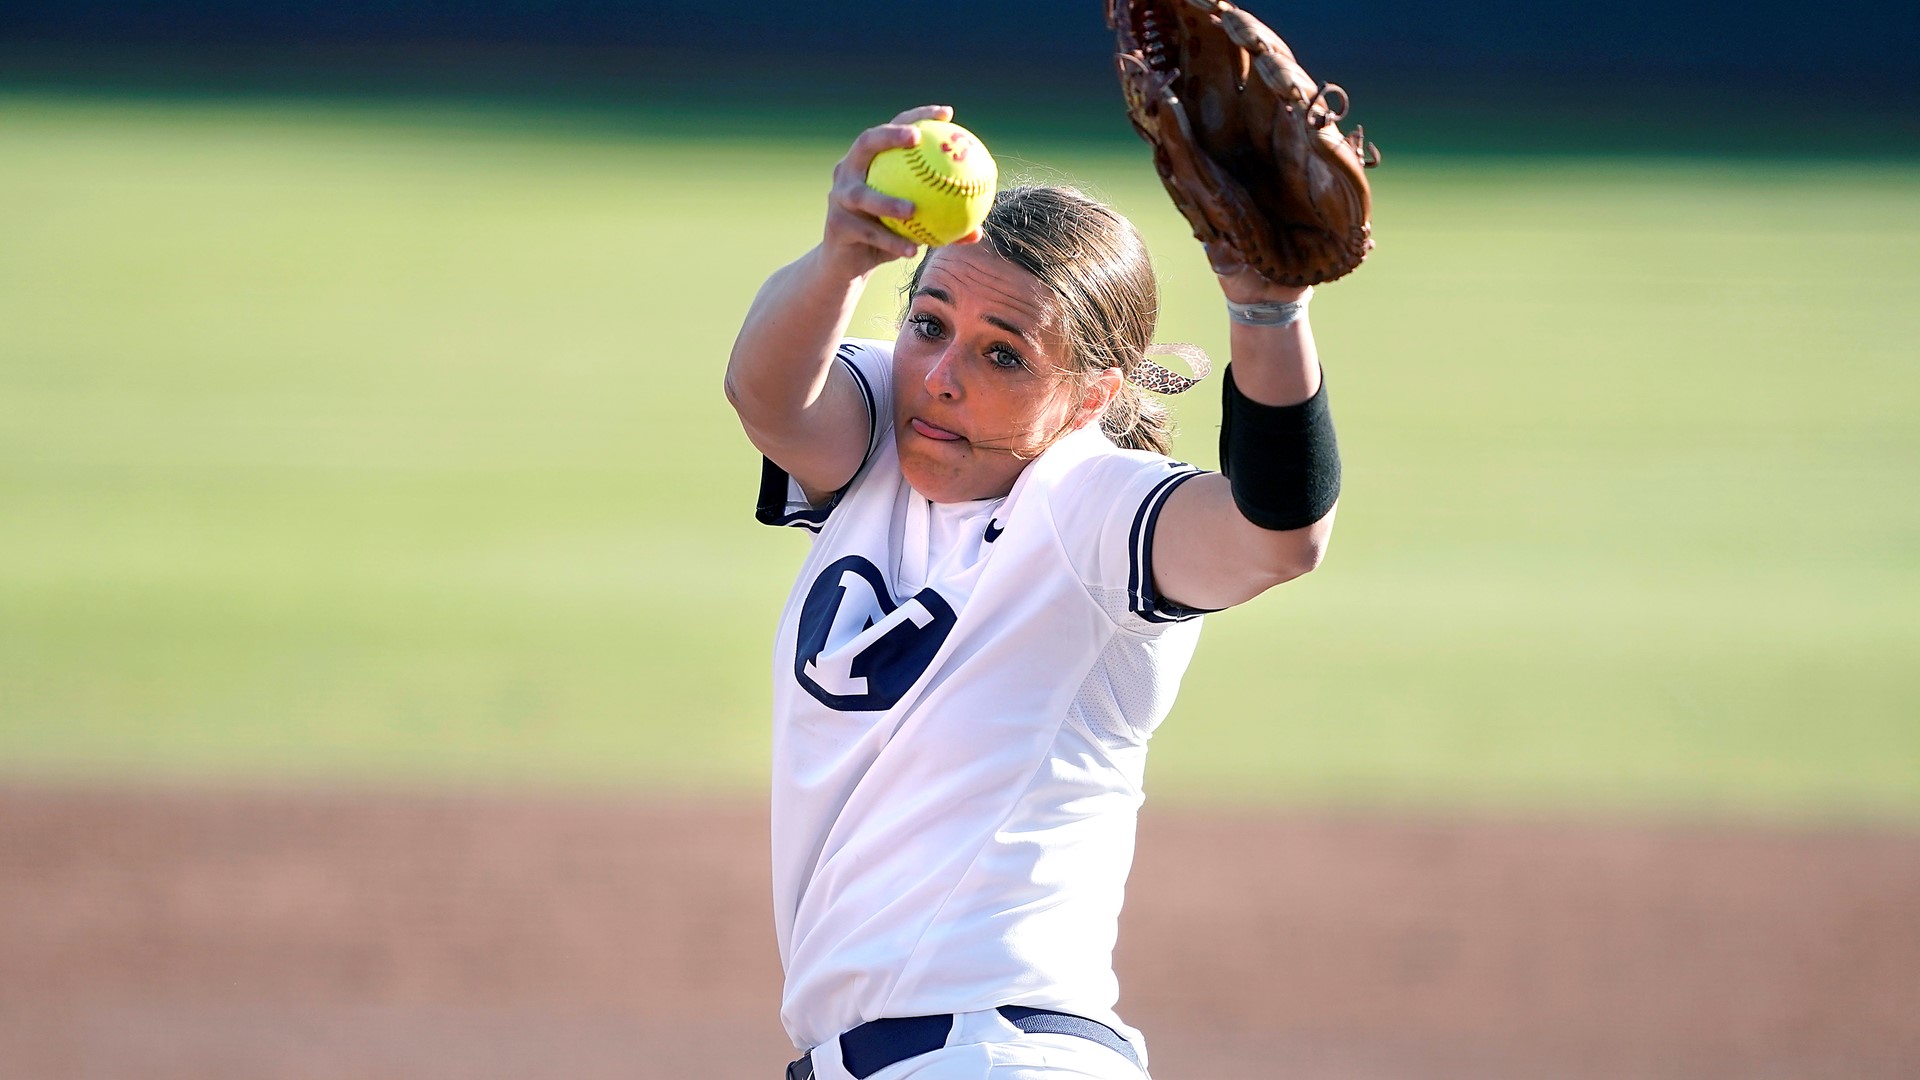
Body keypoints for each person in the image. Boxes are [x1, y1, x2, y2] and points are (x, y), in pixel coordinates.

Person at [725, 105, 1341, 1080]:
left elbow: (1276, 539)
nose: (941, 375)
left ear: (1092, 397)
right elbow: (766, 396)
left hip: (998, 1056)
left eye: (1002, 353)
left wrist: (1267, 313)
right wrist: (842, 256)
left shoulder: (1089, 507)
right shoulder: (884, 434)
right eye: (930, 325)